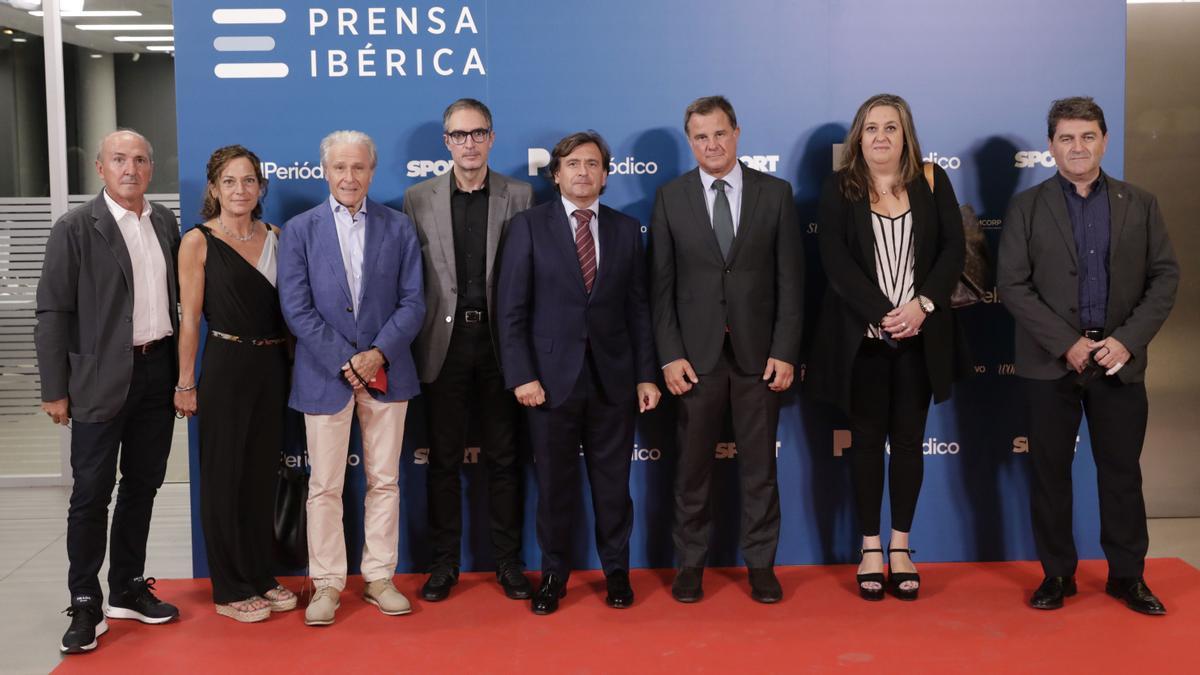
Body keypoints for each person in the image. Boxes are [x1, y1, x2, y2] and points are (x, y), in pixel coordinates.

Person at [998, 96, 1179, 615]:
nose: (1077, 147)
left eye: (1087, 136)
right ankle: (1057, 575)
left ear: (1104, 139)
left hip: (1120, 361)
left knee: (1121, 474)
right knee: (1049, 474)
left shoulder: (1139, 203)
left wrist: (1126, 339)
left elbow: (1164, 277)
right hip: (1050, 364)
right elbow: (1012, 284)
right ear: (1051, 145)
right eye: (1066, 138)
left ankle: (1128, 577)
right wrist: (1067, 343)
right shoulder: (1026, 208)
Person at [806, 94, 969, 601]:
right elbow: (835, 261)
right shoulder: (840, 188)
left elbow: (953, 250)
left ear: (906, 134)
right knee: (867, 443)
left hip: (921, 339)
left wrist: (921, 306)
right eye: (871, 127)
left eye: (890, 128)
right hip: (865, 342)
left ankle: (901, 546)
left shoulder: (931, 181)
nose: (880, 137)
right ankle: (870, 547)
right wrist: (882, 313)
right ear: (859, 136)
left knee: (909, 442)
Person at [496, 131, 660, 615]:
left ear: (606, 175)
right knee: (555, 487)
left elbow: (639, 310)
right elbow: (512, 310)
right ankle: (553, 576)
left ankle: (616, 574)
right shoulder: (528, 226)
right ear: (557, 174)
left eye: (592, 163)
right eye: (573, 164)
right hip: (548, 382)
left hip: (613, 379)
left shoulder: (627, 229)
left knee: (614, 487)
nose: (583, 172)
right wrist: (522, 375)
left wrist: (646, 375)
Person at [650, 96, 803, 603]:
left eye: (719, 133)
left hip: (761, 358)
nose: (711, 145)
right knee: (692, 470)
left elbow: (792, 283)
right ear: (689, 141)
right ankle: (690, 564)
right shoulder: (670, 197)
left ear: (737, 133)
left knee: (760, 470)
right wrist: (670, 356)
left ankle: (760, 565)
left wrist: (785, 350)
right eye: (700, 136)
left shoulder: (775, 194)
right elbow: (661, 288)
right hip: (695, 361)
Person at [36, 129, 181, 653]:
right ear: (100, 167)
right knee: (91, 494)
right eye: (119, 159)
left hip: (156, 372)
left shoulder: (164, 221)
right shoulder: (75, 227)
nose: (131, 169)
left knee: (143, 485)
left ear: (151, 168)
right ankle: (84, 602)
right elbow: (52, 312)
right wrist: (56, 389)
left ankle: (126, 588)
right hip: (97, 380)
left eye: (141, 159)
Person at [278, 130, 425, 626]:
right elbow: (295, 308)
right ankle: (326, 583)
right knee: (324, 486)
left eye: (358, 168)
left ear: (371, 172)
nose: (348, 176)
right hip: (324, 375)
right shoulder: (299, 230)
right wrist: (348, 360)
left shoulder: (399, 227)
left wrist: (377, 354)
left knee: (385, 480)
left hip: (389, 372)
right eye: (339, 167)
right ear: (325, 171)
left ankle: (380, 577)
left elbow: (413, 303)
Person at [402, 98, 535, 602]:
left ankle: (508, 564)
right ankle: (443, 566)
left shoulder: (520, 194)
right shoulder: (418, 198)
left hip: (504, 346)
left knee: (505, 459)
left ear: (492, 138)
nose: (469, 143)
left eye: (478, 133)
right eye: (459, 135)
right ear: (446, 142)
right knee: (442, 461)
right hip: (443, 347)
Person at [174, 145, 296, 622]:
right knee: (224, 477)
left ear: (261, 187)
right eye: (230, 181)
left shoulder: (278, 236)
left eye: (249, 181)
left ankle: (260, 574)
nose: (240, 190)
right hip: (225, 364)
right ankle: (228, 587)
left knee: (261, 477)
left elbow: (289, 317)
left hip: (272, 369)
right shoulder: (198, 242)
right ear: (213, 189)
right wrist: (186, 383)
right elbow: (189, 322)